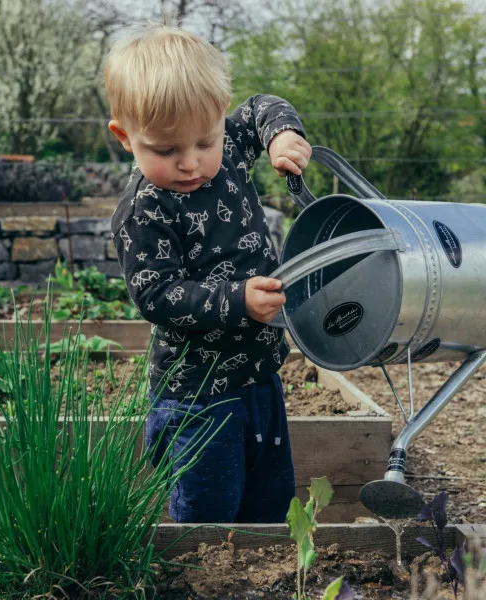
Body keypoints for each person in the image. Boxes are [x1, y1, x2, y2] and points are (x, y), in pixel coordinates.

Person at [105, 24, 312, 523]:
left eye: (205, 140)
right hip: (198, 397)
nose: (190, 163)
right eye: (165, 150)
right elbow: (157, 294)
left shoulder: (232, 148)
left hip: (261, 378)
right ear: (124, 137)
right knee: (208, 516)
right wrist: (237, 299)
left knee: (270, 502)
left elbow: (263, 105)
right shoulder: (144, 211)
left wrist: (283, 134)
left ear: (220, 119)